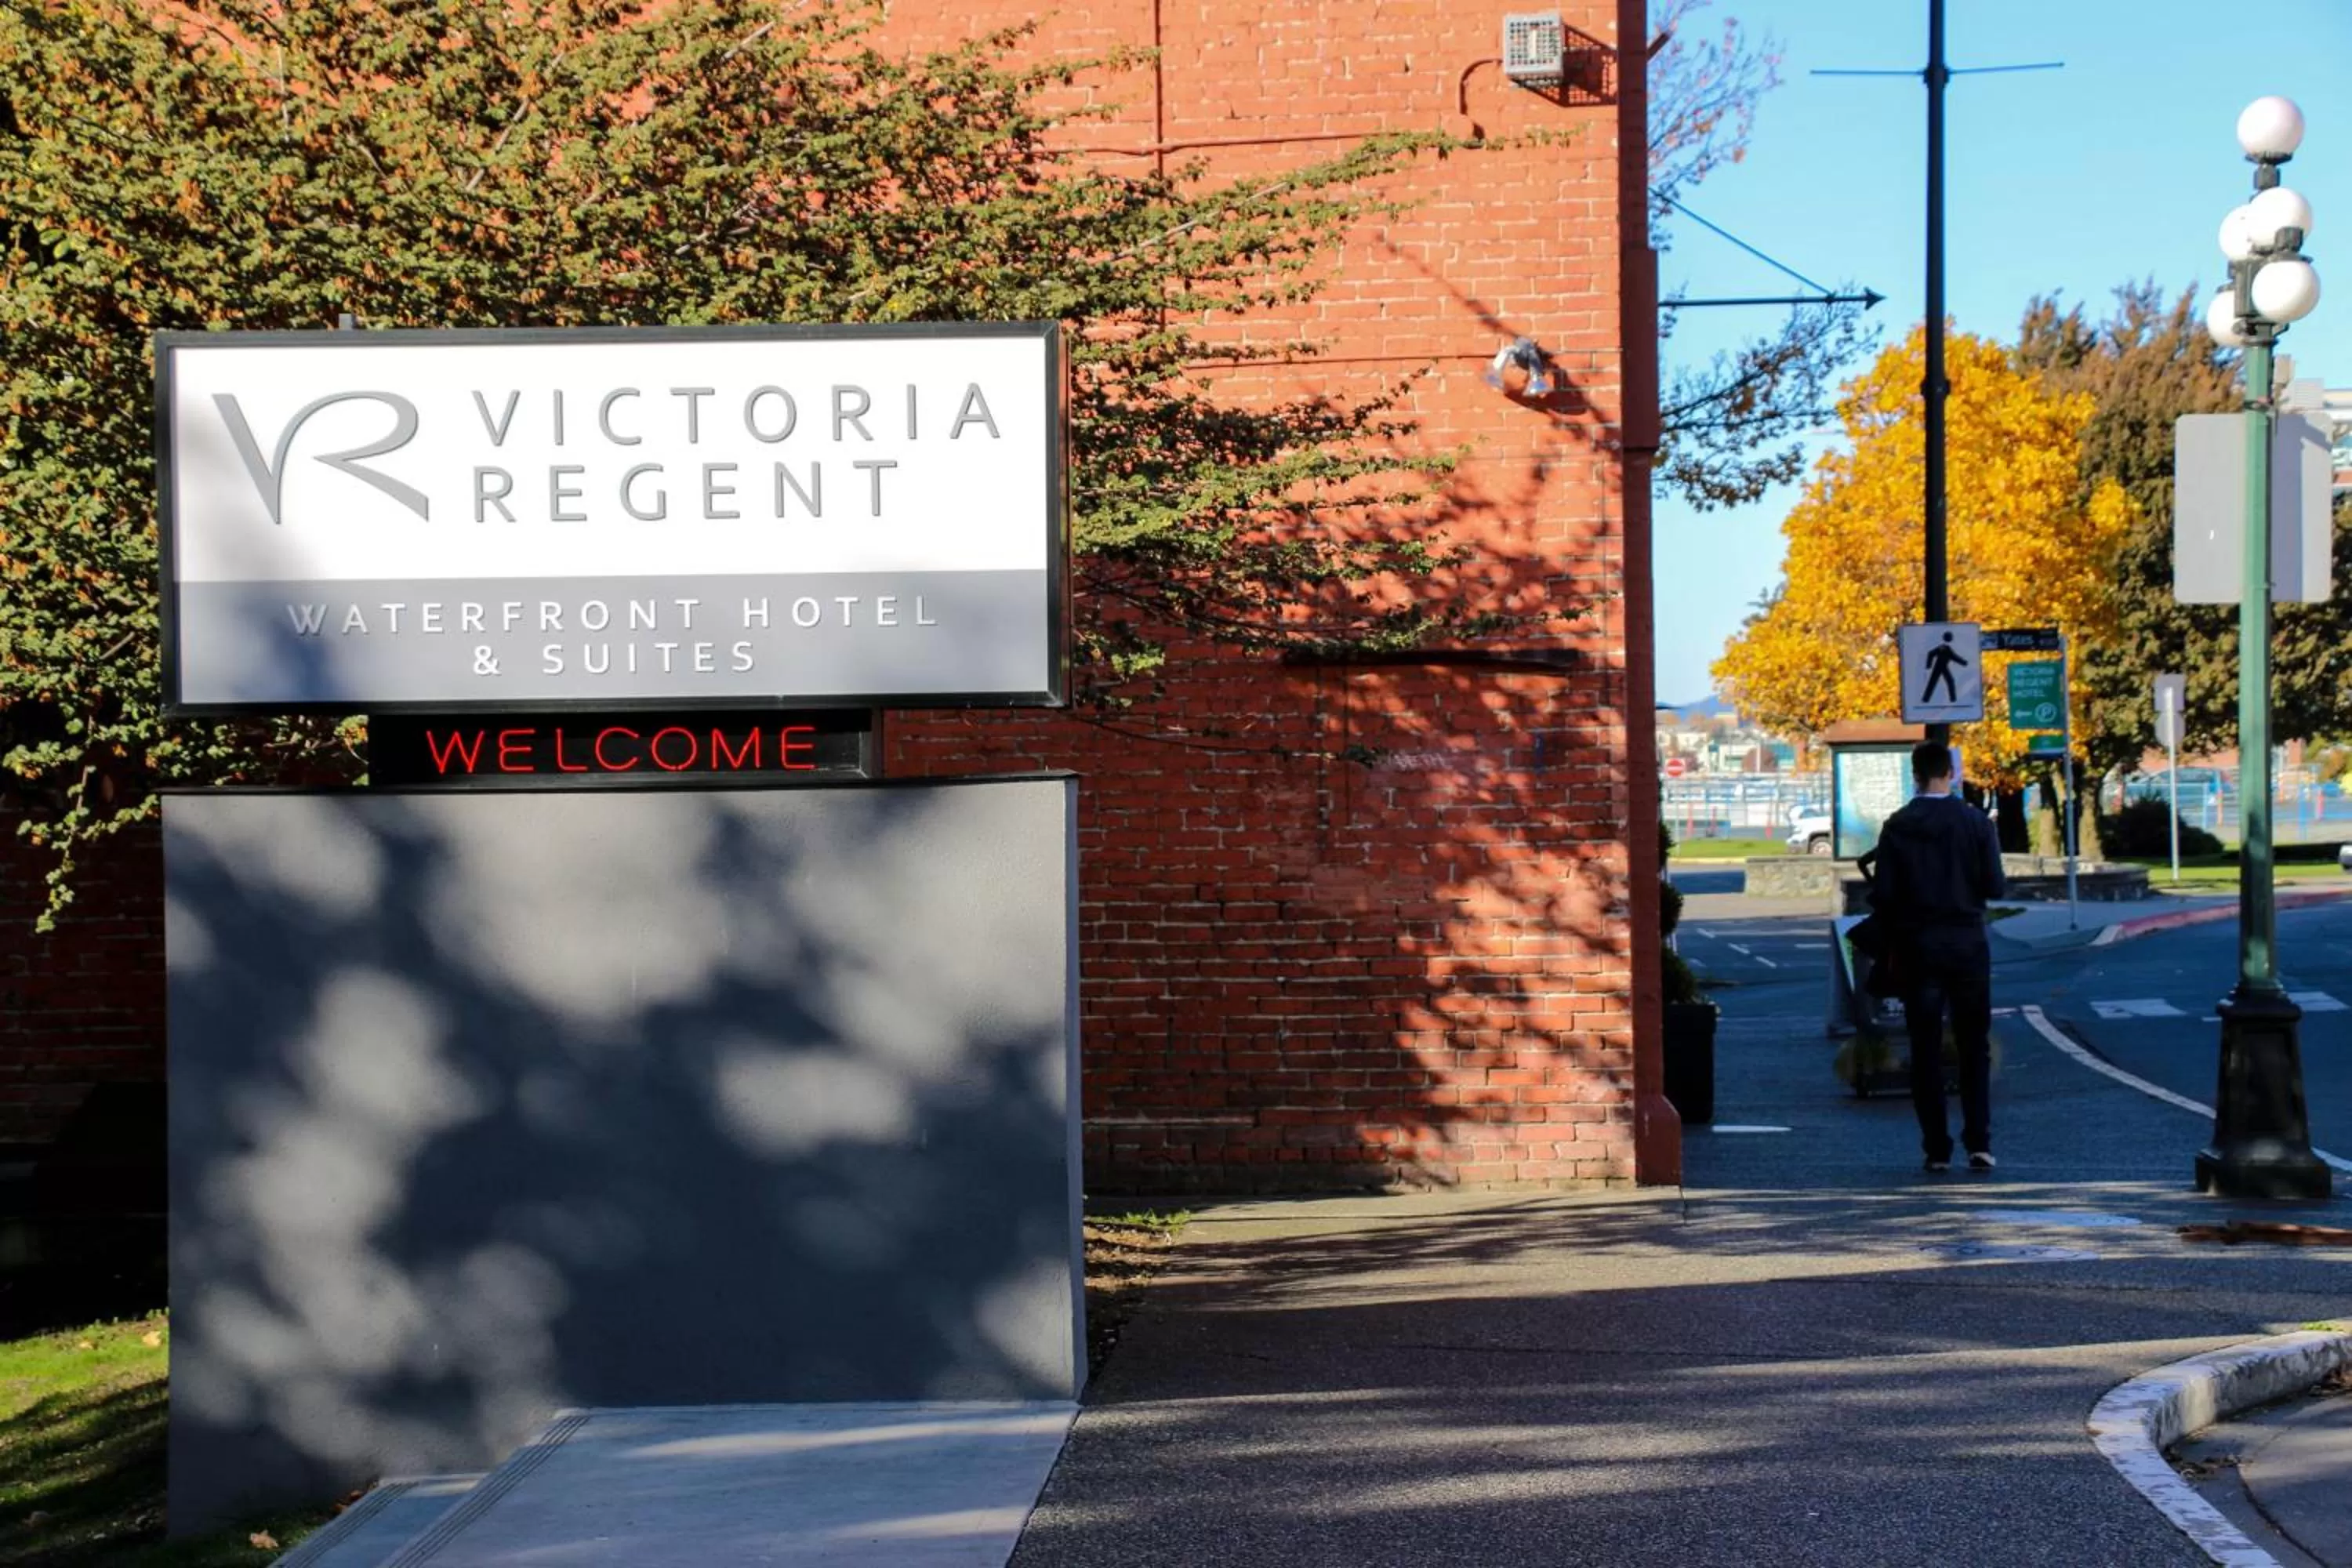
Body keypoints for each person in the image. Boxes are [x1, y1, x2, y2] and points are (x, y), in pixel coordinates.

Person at [1867, 742, 2006, 1173]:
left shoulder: (1898, 825)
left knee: (1925, 1048)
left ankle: (1936, 1147)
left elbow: (1885, 894)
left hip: (1917, 946)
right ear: (1951, 772)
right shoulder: (1975, 822)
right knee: (1973, 1046)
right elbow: (1995, 886)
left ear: (1915, 774)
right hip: (1967, 944)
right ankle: (1979, 1142)